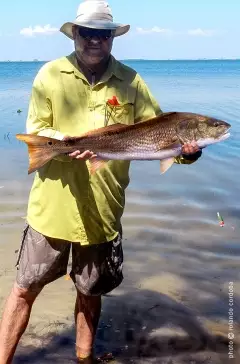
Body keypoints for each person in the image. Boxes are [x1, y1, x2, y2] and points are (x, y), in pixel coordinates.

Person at [0, 1, 202, 363]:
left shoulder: (132, 81)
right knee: (24, 289)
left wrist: (187, 152)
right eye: (88, 33)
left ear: (113, 38)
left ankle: (84, 358)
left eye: (103, 34)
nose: (95, 41)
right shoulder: (49, 75)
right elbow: (37, 129)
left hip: (104, 211)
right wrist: (64, 141)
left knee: (91, 291)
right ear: (74, 33)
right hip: (52, 209)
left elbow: (159, 134)